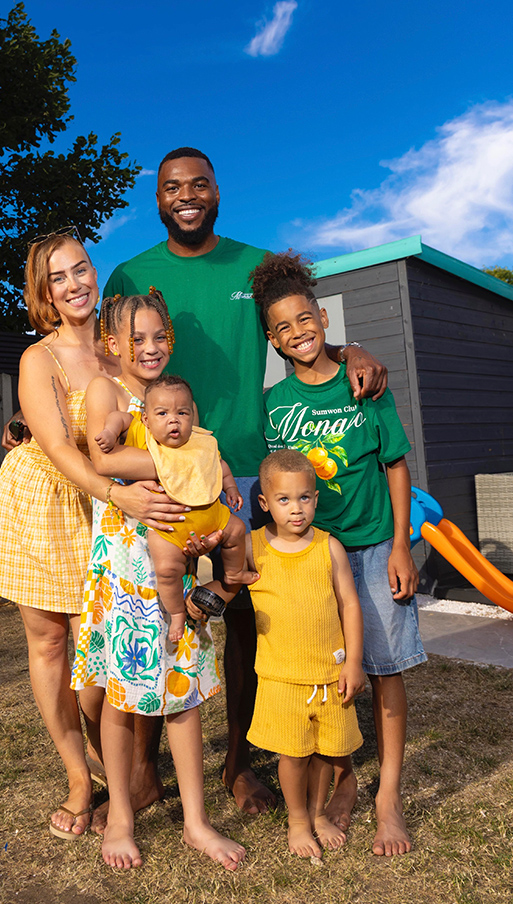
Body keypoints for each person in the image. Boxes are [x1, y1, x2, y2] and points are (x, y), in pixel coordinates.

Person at [101, 146, 387, 822]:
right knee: (156, 616)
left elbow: (297, 325)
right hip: (160, 473)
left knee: (243, 623)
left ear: (217, 191)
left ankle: (234, 766)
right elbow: (96, 355)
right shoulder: (129, 271)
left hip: (247, 471)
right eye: (173, 187)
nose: (187, 195)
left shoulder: (253, 266)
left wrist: (352, 349)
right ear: (159, 198)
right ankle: (142, 770)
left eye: (199, 183)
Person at [0, 230, 188, 841]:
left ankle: (134, 770)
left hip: (110, 517)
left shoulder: (122, 350)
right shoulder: (37, 360)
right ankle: (78, 777)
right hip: (46, 505)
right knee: (49, 647)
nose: (75, 283)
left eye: (82, 269)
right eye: (59, 276)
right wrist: (116, 491)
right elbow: (61, 449)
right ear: (44, 291)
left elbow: (153, 422)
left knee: (103, 653)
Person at [252, 250, 427, 856]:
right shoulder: (275, 405)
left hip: (376, 545)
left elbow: (396, 464)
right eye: (283, 328)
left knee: (382, 668)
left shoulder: (365, 384)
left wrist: (402, 545)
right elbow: (276, 483)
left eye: (306, 320)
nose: (298, 333)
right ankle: (345, 780)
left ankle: (388, 799)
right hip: (312, 558)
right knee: (330, 674)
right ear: (272, 340)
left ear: (324, 318)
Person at [71, 292, 245, 870]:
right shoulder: (108, 391)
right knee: (121, 697)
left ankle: (196, 820)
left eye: (158, 337)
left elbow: (202, 463)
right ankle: (120, 816)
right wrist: (195, 466)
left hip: (172, 564)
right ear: (112, 345)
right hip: (123, 568)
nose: (149, 348)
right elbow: (106, 462)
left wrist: (209, 470)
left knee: (183, 693)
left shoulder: (171, 400)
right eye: (136, 339)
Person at [246, 449, 365, 859]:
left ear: (316, 498)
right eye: (283, 500)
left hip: (329, 674)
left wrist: (353, 661)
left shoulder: (329, 547)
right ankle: (297, 821)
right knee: (293, 754)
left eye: (304, 498)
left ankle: (317, 814)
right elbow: (224, 578)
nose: (295, 509)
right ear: (265, 503)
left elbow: (350, 604)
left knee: (325, 753)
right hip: (281, 677)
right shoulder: (253, 546)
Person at [96, 371, 257, 642]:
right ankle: (177, 614)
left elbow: (219, 465)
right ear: (146, 419)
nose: (174, 420)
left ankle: (233, 572)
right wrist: (111, 433)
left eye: (182, 413)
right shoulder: (138, 430)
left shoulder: (199, 441)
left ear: (192, 417)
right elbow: (118, 418)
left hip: (212, 516)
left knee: (237, 530)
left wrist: (230, 487)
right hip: (171, 527)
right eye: (162, 414)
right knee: (167, 570)